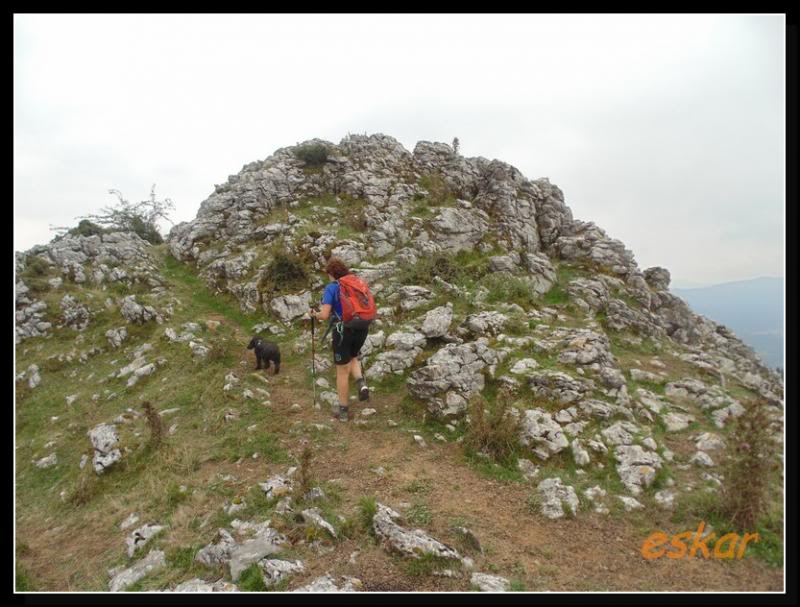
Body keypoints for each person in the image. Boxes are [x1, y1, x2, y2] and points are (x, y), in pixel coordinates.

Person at [309, 257, 370, 422]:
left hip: (342, 330)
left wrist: (315, 314)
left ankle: (343, 412)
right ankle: (361, 384)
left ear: (331, 274)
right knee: (353, 356)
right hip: (362, 327)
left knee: (342, 371)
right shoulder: (356, 283)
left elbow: (325, 315)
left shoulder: (332, 287)